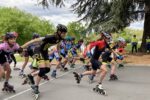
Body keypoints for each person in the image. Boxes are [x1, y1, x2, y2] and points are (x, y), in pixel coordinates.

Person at [19, 24, 67, 97]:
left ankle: (31, 75)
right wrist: (22, 46)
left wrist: (59, 55)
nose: (65, 34)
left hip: (44, 52)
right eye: (64, 33)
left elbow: (58, 47)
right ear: (59, 32)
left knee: (47, 69)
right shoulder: (50, 37)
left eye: (65, 33)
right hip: (38, 50)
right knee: (42, 69)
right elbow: (34, 40)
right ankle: (36, 86)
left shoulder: (60, 39)